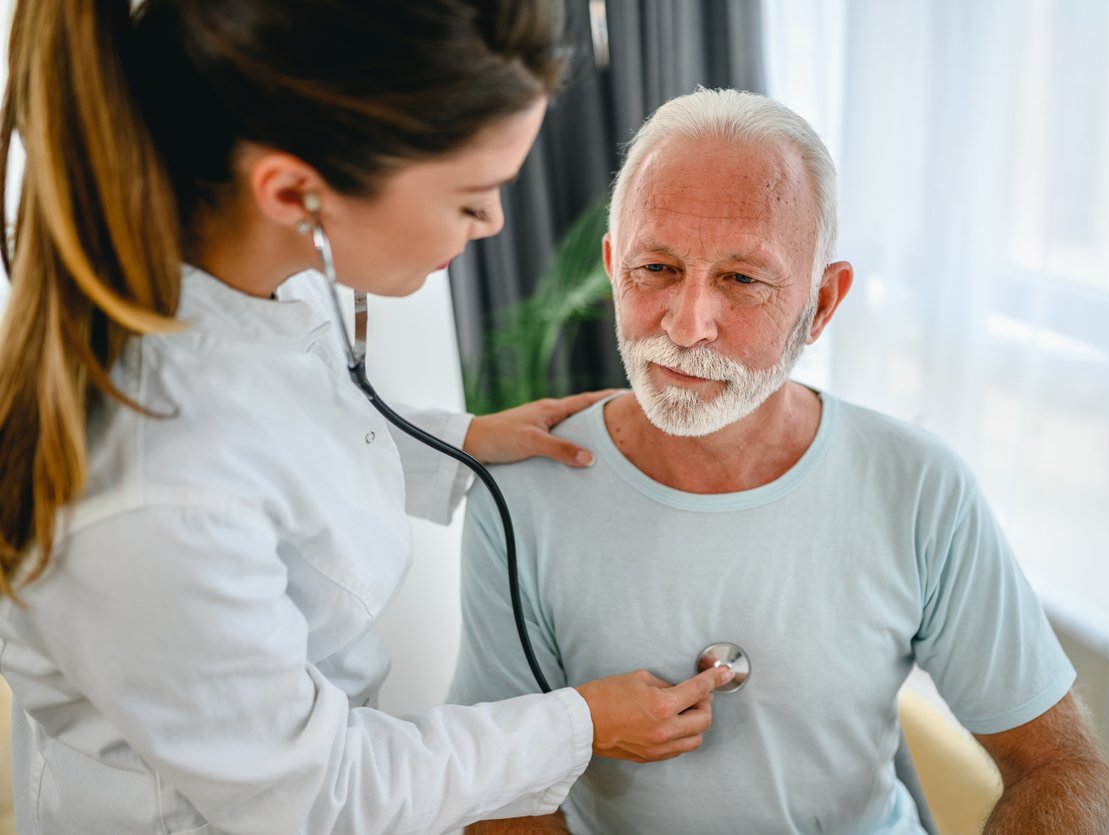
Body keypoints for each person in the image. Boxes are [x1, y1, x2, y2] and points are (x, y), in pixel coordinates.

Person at [0, 2, 734, 832]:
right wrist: (581, 723)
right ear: (293, 192)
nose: (494, 222)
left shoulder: (259, 269)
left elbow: (290, 417)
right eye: (470, 197)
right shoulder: (151, 495)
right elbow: (321, 793)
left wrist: (462, 441)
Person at [447, 88, 1109, 834]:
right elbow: (504, 794)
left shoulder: (919, 484)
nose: (686, 324)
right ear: (612, 268)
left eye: (741, 279)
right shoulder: (520, 493)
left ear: (822, 303)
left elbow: (1057, 761)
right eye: (656, 268)